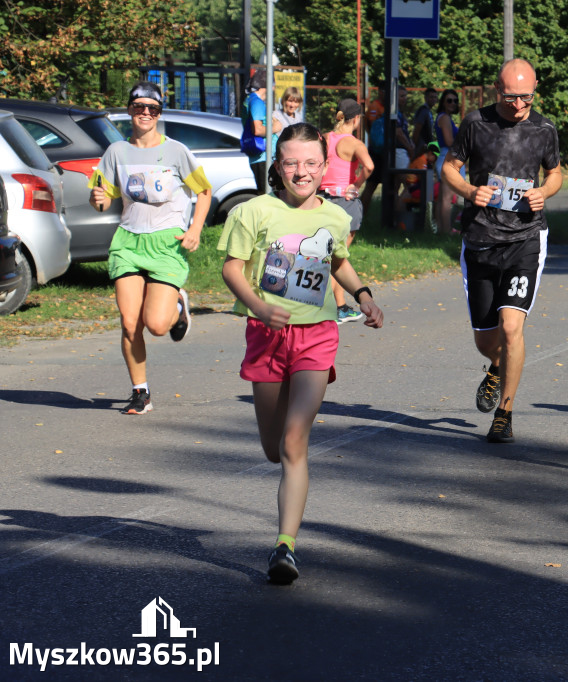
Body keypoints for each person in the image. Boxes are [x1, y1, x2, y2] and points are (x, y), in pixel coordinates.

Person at [218, 122, 384, 584]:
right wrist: (257, 305)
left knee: (295, 440)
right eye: (291, 162)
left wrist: (363, 295)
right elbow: (232, 268)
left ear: (324, 166)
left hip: (316, 335)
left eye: (310, 162)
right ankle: (283, 512)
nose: (301, 171)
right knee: (273, 449)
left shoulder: (334, 216)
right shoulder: (252, 212)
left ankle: (284, 547)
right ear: (278, 166)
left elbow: (337, 261)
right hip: (265, 335)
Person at [441, 58, 562, 443]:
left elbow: (556, 171)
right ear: (498, 90)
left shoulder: (544, 129)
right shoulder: (475, 123)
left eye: (526, 97)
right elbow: (449, 167)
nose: (519, 105)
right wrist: (469, 191)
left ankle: (505, 414)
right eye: (511, 97)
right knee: (485, 339)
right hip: (479, 238)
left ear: (535, 88)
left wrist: (544, 191)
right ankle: (496, 366)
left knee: (512, 327)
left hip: (525, 238)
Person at [88, 81, 213, 415]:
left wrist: (195, 228)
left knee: (156, 325)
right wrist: (98, 198)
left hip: (165, 244)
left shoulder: (176, 151)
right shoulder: (116, 152)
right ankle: (140, 392)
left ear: (159, 114)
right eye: (139, 107)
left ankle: (178, 303)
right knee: (130, 324)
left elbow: (204, 191)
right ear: (130, 110)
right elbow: (102, 198)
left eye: (152, 109)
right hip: (128, 242)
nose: (145, 113)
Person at [321, 99, 374, 325]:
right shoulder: (355, 144)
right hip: (345, 201)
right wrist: (358, 183)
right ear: (356, 119)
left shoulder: (324, 138)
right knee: (339, 259)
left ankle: (328, 304)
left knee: (324, 256)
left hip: (323, 200)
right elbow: (369, 166)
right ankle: (339, 307)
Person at [241, 69, 283, 194]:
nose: (274, 89)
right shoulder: (256, 102)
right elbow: (257, 129)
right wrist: (275, 127)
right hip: (263, 156)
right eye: (273, 85)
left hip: (261, 156)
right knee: (269, 195)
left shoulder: (251, 100)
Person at [434, 88, 462, 234]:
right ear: (443, 103)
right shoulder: (444, 118)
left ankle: (441, 230)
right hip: (448, 158)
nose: (453, 103)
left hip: (445, 157)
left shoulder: (445, 117)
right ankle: (446, 232)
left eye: (455, 100)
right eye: (449, 100)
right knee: (446, 198)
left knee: (442, 198)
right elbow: (449, 141)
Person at [411, 87, 438, 156]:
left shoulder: (428, 111)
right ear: (425, 98)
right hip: (421, 149)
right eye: (431, 97)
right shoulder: (423, 111)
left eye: (435, 97)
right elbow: (417, 129)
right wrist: (415, 147)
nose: (433, 99)